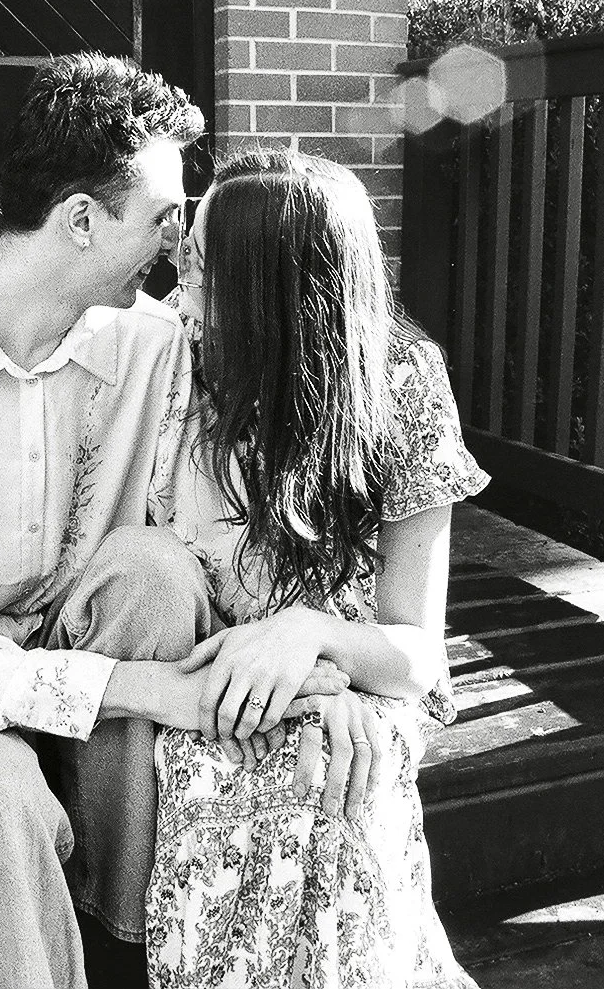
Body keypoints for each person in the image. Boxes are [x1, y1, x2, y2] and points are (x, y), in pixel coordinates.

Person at [0, 56, 345, 989]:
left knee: (151, 569)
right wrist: (156, 691)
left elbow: (236, 526)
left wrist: (310, 667)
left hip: (96, 676)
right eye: (165, 217)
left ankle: (136, 938)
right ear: (82, 220)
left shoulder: (163, 345)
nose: (179, 247)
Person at [146, 148, 489, 989]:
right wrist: (292, 676)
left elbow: (418, 654)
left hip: (360, 675)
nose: (182, 291)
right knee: (220, 786)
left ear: (269, 289)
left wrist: (311, 637)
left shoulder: (401, 382)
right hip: (223, 675)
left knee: (336, 785)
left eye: (203, 269)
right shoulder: (174, 366)